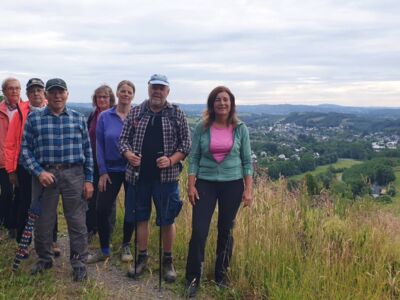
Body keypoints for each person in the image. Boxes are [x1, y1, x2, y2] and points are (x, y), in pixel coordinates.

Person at [119, 74, 191, 282]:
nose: (157, 91)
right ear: (148, 89)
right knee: (141, 217)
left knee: (167, 219)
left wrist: (171, 159)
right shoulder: (136, 111)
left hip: (167, 178)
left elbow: (186, 143)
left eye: (162, 88)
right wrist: (128, 154)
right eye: (154, 88)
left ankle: (167, 261)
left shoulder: (176, 112)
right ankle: (142, 258)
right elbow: (123, 140)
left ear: (167, 91)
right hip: (138, 177)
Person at [21, 78, 94, 281]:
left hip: (74, 174)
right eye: (52, 92)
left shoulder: (78, 119)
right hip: (45, 175)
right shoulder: (34, 119)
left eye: (61, 92)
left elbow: (88, 151)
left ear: (67, 94)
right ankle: (44, 259)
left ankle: (79, 262)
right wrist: (38, 171)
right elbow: (25, 149)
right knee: (43, 221)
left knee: (77, 221)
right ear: (46, 95)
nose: (57, 96)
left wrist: (89, 180)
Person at [184, 86, 253, 297]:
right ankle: (193, 278)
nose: (222, 103)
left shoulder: (240, 128)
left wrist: (249, 189)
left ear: (231, 104)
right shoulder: (202, 128)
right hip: (205, 183)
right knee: (199, 230)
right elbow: (194, 157)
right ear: (211, 104)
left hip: (232, 184)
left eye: (225, 100)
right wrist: (191, 184)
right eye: (217, 100)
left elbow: (247, 161)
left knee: (226, 231)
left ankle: (221, 276)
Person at [4, 78, 60, 255]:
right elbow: (11, 142)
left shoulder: (53, 110)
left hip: (48, 165)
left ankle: (51, 241)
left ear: (44, 92)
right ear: (27, 94)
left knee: (50, 204)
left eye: (39, 89)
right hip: (25, 166)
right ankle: (24, 243)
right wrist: (11, 169)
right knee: (25, 203)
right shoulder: (21, 112)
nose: (36, 93)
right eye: (32, 90)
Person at [87, 80, 134, 263]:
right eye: (122, 91)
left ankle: (126, 246)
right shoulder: (105, 116)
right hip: (110, 170)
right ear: (118, 93)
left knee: (131, 209)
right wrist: (102, 171)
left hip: (132, 169)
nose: (125, 94)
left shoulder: (137, 115)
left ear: (133, 95)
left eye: (129, 92)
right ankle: (104, 249)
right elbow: (99, 145)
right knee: (102, 208)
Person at [86, 84, 117, 242]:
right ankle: (91, 228)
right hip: (92, 160)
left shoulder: (115, 115)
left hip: (109, 162)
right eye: (99, 97)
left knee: (107, 199)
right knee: (91, 196)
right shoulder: (93, 115)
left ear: (111, 99)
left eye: (105, 97)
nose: (102, 99)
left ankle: (108, 232)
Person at [0, 77, 22, 239]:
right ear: (4, 91)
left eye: (17, 88)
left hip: (20, 160)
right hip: (2, 160)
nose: (14, 91)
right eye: (10, 88)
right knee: (7, 193)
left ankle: (14, 225)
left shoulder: (25, 109)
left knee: (19, 195)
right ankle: (6, 225)